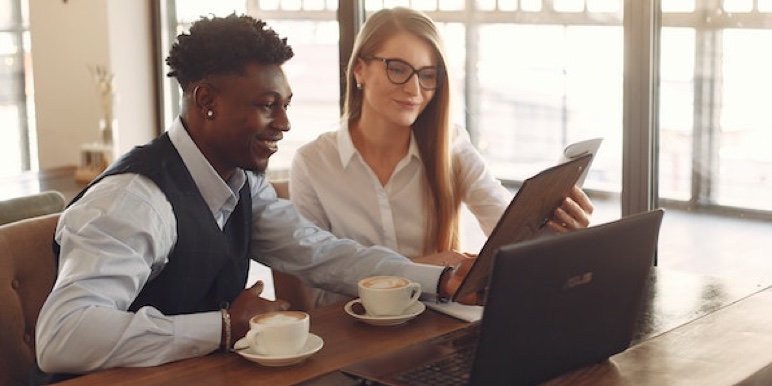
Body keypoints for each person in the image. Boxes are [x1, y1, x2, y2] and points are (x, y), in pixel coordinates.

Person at [33, 14, 475, 384]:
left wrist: (441, 281)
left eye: (286, 104)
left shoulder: (241, 182)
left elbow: (321, 253)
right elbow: (61, 338)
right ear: (206, 100)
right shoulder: (135, 201)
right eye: (267, 105)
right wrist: (223, 328)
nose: (283, 122)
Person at [290, 7, 594, 307]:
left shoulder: (452, 145)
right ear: (360, 69)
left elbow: (509, 234)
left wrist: (560, 234)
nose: (414, 89)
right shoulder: (312, 164)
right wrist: (426, 270)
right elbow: (321, 288)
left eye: (428, 75)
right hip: (354, 332)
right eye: (397, 68)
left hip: (437, 325)